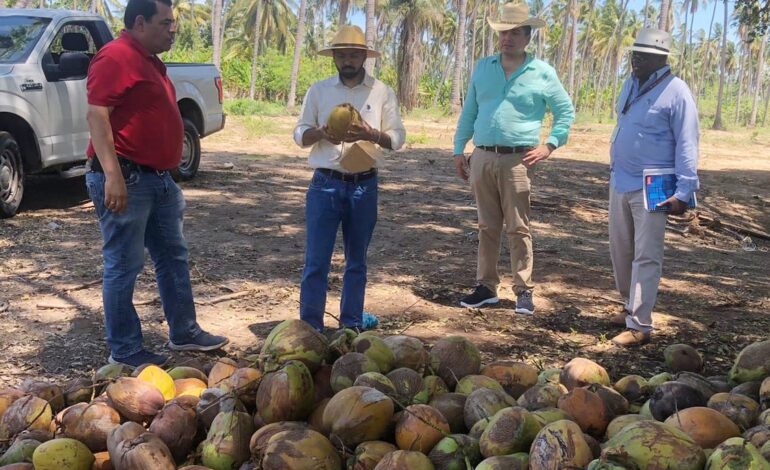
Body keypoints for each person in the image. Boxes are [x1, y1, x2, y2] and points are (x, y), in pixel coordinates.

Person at [85, 0, 228, 367]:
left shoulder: (147, 59)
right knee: (123, 264)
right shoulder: (116, 56)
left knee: (173, 257)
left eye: (173, 23)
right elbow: (97, 114)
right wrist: (113, 175)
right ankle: (126, 350)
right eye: (165, 23)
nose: (172, 30)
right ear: (138, 22)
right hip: (128, 179)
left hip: (158, 180)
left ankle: (183, 331)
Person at [453, 2, 575, 315]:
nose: (508, 38)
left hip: (518, 161)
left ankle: (522, 289)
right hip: (482, 157)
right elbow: (470, 111)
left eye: (516, 33)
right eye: (504, 32)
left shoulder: (542, 72)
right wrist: (458, 149)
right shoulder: (484, 67)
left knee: (519, 227)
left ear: (527, 38)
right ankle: (486, 287)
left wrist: (550, 145)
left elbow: (565, 112)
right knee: (486, 226)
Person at [293, 26, 406, 332]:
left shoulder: (381, 92)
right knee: (316, 262)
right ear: (334, 58)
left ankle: (351, 325)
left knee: (356, 263)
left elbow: (398, 138)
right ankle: (311, 329)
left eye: (354, 54)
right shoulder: (319, 90)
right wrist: (321, 133)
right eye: (342, 54)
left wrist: (373, 134)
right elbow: (299, 133)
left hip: (364, 186)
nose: (348, 60)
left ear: (364, 58)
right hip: (324, 184)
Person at [607, 28, 700, 347]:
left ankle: (640, 326)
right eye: (634, 53)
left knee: (647, 255)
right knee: (621, 250)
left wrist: (685, 192)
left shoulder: (677, 92)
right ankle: (628, 307)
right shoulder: (630, 84)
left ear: (661, 59)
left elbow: (687, 143)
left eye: (643, 55)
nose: (636, 59)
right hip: (620, 179)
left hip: (655, 185)